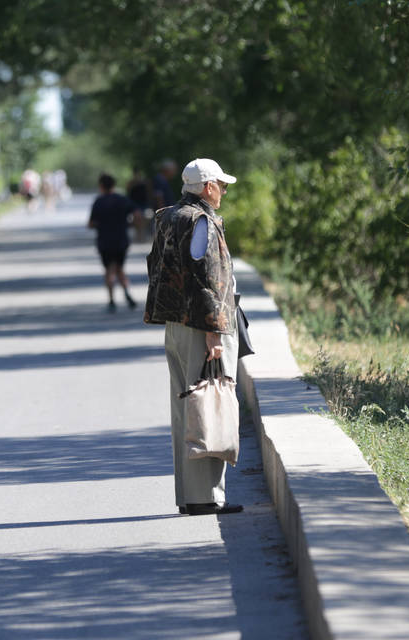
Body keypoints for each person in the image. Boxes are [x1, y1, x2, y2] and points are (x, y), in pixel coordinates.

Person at [144, 158, 243, 516]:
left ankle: (189, 496)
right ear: (207, 187)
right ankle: (206, 497)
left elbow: (157, 266)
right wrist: (213, 332)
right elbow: (206, 279)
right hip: (200, 327)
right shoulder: (200, 221)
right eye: (221, 184)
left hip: (176, 326)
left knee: (185, 408)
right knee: (207, 405)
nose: (224, 191)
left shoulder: (167, 216)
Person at [89, 173, 140, 312]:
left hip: (105, 241)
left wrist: (100, 224)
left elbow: (91, 223)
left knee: (109, 270)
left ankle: (111, 300)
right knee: (119, 268)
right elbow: (136, 213)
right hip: (121, 240)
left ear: (101, 186)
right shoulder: (122, 199)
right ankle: (127, 293)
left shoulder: (99, 202)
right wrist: (133, 226)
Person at [126, 167, 152, 242]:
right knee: (136, 218)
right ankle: (138, 235)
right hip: (134, 204)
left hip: (144, 203)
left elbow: (149, 192)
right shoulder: (131, 182)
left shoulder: (145, 182)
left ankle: (142, 234)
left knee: (145, 218)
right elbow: (128, 192)